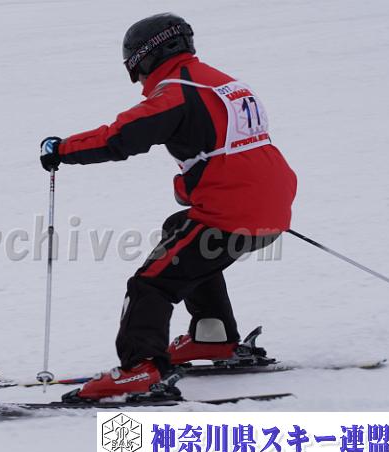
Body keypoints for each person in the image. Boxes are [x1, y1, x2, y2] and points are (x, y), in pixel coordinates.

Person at [39, 13, 297, 400]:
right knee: (180, 232)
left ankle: (140, 369)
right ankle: (212, 334)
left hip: (231, 213)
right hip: (269, 205)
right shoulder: (223, 82)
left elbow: (119, 138)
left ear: (147, 57)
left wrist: (61, 150)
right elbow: (225, 147)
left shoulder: (177, 91)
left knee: (151, 284)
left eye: (136, 69)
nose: (139, 79)